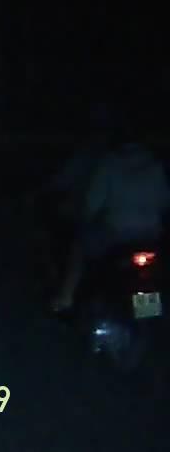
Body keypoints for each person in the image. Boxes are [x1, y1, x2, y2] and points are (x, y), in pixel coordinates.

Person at [50, 125, 170, 312]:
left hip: (115, 234)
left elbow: (92, 204)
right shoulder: (154, 165)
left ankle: (66, 298)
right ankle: (147, 310)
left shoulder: (109, 164)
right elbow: (164, 201)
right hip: (150, 235)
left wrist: (83, 215)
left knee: (79, 247)